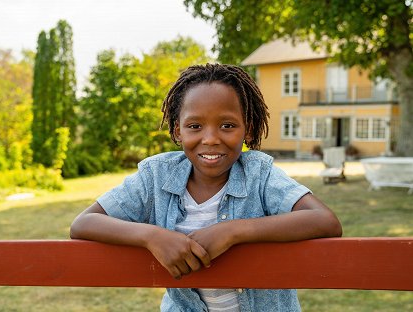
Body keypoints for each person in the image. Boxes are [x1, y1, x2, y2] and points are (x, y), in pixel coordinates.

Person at [70, 63, 342, 311]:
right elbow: (84, 224)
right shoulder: (156, 175)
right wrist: (152, 237)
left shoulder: (259, 174)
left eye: (227, 125)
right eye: (195, 126)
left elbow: (324, 220)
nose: (210, 139)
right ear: (178, 131)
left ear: (247, 129)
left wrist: (232, 231)